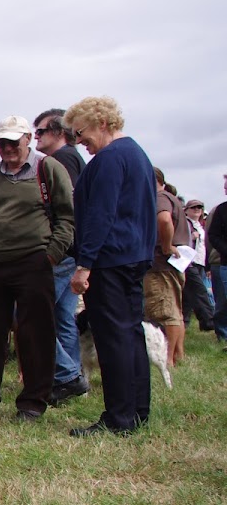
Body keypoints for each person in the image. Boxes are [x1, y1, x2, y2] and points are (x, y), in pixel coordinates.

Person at [0, 116, 74, 421]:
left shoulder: (48, 169)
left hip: (33, 261)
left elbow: (67, 217)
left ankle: (32, 403)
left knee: (35, 334)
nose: (8, 148)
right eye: (2, 142)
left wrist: (51, 255)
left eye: (13, 141)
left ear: (28, 139)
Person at [65, 96, 156, 437]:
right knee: (131, 334)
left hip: (110, 259)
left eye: (82, 133)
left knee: (113, 338)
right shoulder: (137, 155)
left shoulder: (109, 159)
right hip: (132, 256)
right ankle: (137, 411)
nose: (80, 142)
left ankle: (118, 419)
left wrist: (84, 265)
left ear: (102, 123)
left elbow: (101, 214)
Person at [33, 108, 88, 404]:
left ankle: (66, 375)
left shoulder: (58, 161)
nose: (36, 138)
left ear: (57, 132)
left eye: (40, 132)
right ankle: (71, 378)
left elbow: (61, 209)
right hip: (73, 250)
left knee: (31, 313)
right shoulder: (75, 159)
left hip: (60, 250)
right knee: (62, 318)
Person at [145, 167, 189, 366]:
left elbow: (164, 219)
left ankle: (168, 359)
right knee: (175, 311)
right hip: (173, 265)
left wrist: (165, 245)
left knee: (165, 312)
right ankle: (178, 355)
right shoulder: (171, 197)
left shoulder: (160, 197)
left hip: (161, 265)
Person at [182, 199, 214, 332]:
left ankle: (184, 323)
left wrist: (207, 266)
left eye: (199, 207)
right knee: (200, 291)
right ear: (187, 210)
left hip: (200, 262)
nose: (197, 209)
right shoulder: (185, 223)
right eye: (193, 207)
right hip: (190, 263)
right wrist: (190, 237)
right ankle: (209, 321)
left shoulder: (200, 225)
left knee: (188, 296)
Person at [209, 174, 227, 346]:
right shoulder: (221, 210)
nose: (225, 190)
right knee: (223, 301)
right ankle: (223, 335)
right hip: (225, 263)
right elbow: (213, 235)